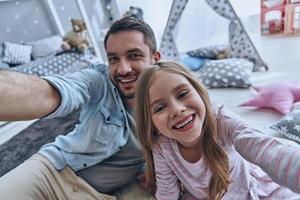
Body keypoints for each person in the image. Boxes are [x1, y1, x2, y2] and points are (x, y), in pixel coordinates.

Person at [0, 17, 160, 199]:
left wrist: (153, 169)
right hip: (52, 170)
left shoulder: (170, 104)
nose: (122, 69)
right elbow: (52, 92)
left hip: (99, 195)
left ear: (155, 59)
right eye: (114, 59)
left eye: (133, 56)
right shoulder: (99, 80)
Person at [135, 61, 300, 200]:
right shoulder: (162, 147)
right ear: (151, 122)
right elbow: (167, 194)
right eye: (160, 108)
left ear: (199, 92)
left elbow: (263, 148)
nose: (177, 110)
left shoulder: (222, 120)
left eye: (183, 94)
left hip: (260, 191)